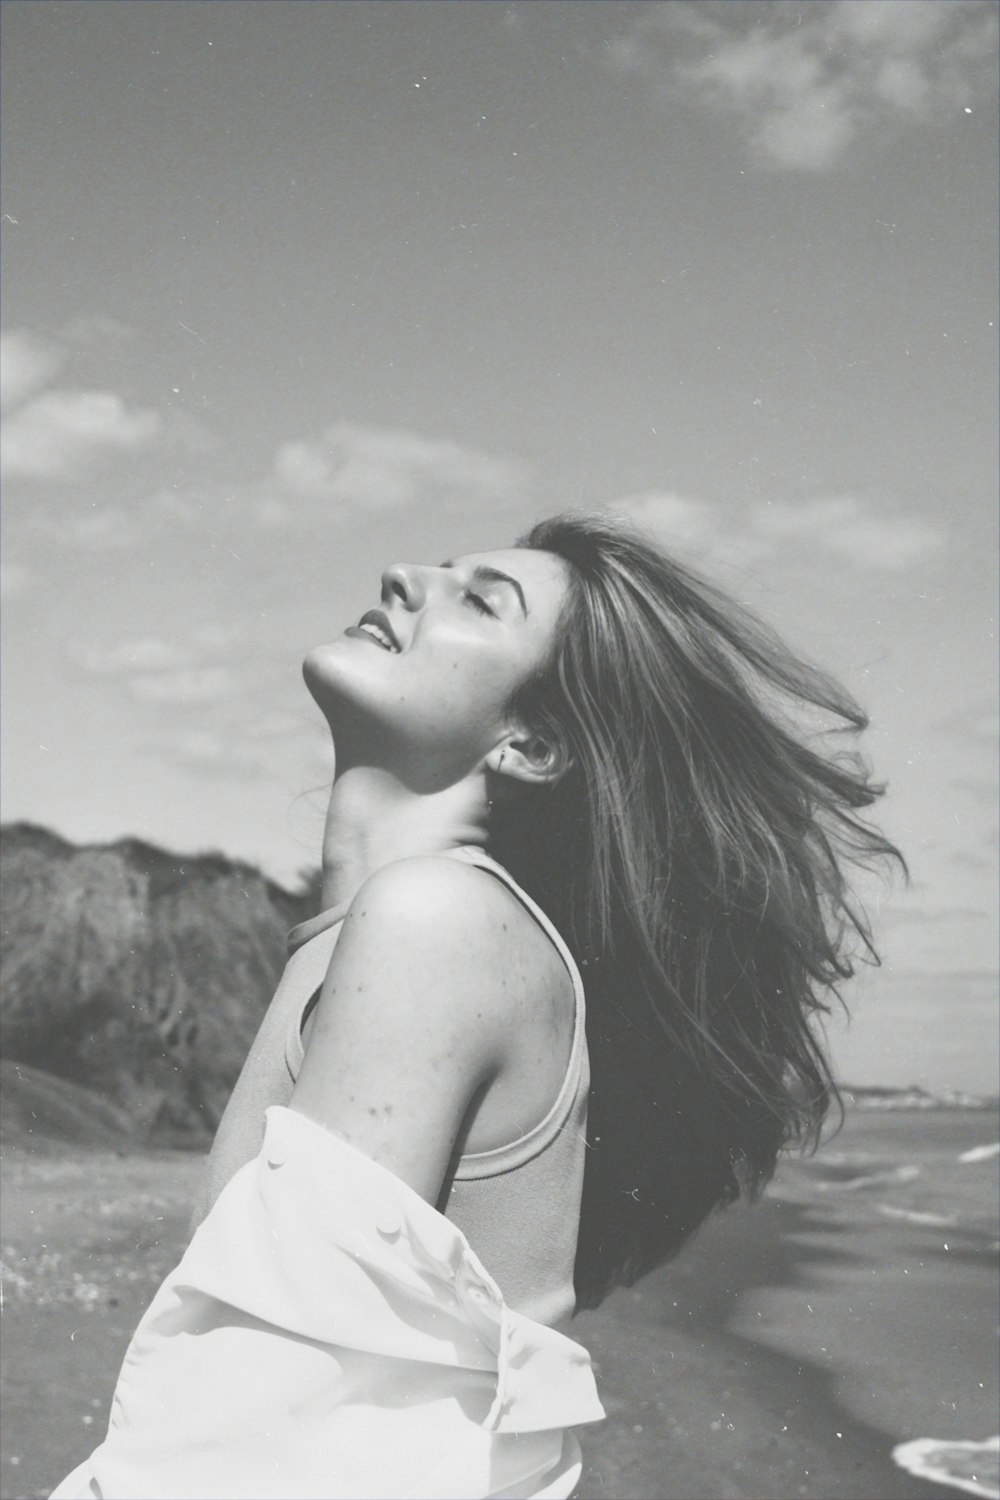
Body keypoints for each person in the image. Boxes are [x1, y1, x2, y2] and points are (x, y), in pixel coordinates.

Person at [50, 510, 903, 1500]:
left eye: (480, 599)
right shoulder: (380, 934)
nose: (402, 573)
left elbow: (267, 1422)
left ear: (534, 744)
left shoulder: (435, 924)